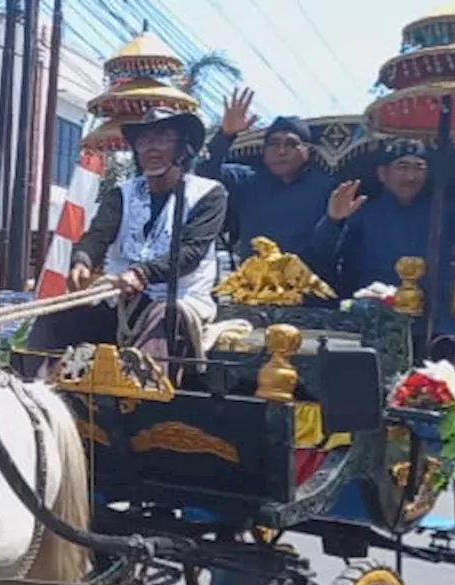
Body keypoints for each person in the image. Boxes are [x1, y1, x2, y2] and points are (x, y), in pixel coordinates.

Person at [19, 106, 227, 377]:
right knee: (57, 313)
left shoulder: (208, 194)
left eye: (162, 138)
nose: (151, 148)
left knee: (160, 316)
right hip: (118, 298)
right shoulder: (121, 194)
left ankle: (139, 399)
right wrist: (82, 260)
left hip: (178, 301)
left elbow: (191, 251)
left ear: (183, 149)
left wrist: (141, 273)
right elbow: (97, 235)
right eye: (144, 141)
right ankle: (32, 392)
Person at [313, 139, 455, 353]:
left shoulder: (445, 211)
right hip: (373, 322)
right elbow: (322, 258)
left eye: (419, 168)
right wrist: (334, 220)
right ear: (383, 173)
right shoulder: (362, 213)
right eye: (402, 166)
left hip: (436, 326)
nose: (410, 176)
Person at [197, 89, 337, 282]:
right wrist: (225, 135)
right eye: (274, 144)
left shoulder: (328, 188)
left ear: (308, 151)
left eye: (291, 144)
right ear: (264, 151)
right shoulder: (247, 180)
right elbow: (204, 173)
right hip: (254, 289)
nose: (281, 151)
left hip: (311, 290)